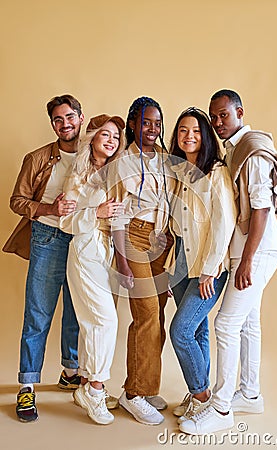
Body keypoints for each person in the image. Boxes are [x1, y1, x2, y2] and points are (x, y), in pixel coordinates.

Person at [180, 89, 277, 435]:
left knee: (225, 326)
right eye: (213, 117)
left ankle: (222, 407)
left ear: (240, 112)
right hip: (248, 251)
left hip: (255, 251)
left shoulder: (251, 149)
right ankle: (250, 392)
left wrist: (246, 262)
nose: (217, 123)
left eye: (223, 116)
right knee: (248, 323)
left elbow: (261, 208)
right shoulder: (235, 150)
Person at [3, 94, 84, 422]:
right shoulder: (37, 158)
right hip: (47, 239)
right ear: (53, 124)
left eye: (70, 117)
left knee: (77, 311)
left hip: (82, 242)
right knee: (38, 312)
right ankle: (27, 385)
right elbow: (17, 199)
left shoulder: (94, 154)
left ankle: (70, 371)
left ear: (80, 117)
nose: (65, 124)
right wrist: (50, 209)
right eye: (58, 120)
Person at [164, 107, 236, 423]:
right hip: (181, 260)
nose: (189, 136)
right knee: (197, 329)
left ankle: (203, 397)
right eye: (182, 130)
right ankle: (198, 391)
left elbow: (224, 223)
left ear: (205, 136)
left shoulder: (216, 173)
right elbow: (174, 226)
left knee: (180, 330)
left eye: (195, 130)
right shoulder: (178, 173)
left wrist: (211, 268)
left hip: (209, 262)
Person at [108, 96, 174, 425]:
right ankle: (133, 393)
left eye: (157, 123)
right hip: (133, 236)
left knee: (158, 314)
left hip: (160, 238)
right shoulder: (122, 162)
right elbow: (117, 216)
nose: (152, 128)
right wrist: (121, 260)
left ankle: (145, 386)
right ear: (132, 123)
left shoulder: (165, 158)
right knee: (146, 312)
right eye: (146, 122)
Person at [60, 114, 125, 425]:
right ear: (93, 138)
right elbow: (65, 222)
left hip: (103, 253)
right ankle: (96, 391)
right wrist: (95, 212)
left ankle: (86, 385)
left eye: (115, 136)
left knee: (91, 323)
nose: (111, 141)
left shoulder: (112, 174)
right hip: (84, 251)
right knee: (105, 320)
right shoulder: (78, 173)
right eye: (105, 135)